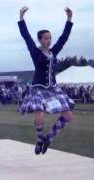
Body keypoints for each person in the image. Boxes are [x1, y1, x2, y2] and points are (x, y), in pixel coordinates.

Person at [18, 6, 75, 155]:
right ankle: (39, 140)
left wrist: (69, 20)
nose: (48, 40)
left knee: (68, 115)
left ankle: (48, 138)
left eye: (50, 38)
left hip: (53, 89)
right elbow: (26, 37)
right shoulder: (35, 52)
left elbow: (63, 38)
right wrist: (21, 19)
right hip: (38, 88)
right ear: (40, 40)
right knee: (40, 116)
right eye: (46, 38)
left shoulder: (53, 52)